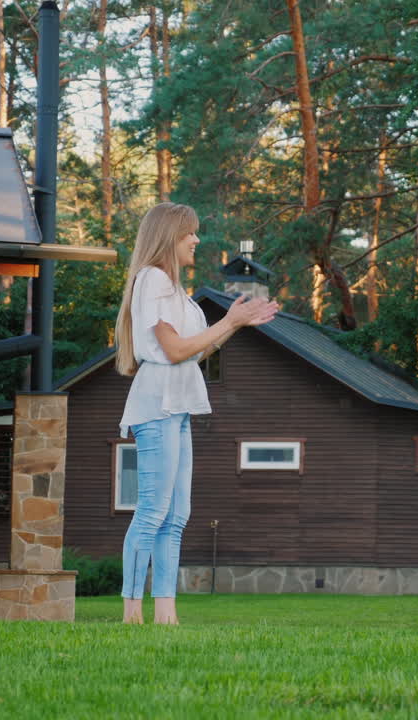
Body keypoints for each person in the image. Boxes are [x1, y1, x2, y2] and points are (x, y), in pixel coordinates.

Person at [113, 202, 278, 624]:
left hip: (179, 405)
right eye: (190, 232)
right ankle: (132, 613)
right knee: (153, 510)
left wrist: (236, 323)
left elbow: (198, 351)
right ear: (170, 235)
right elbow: (173, 351)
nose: (197, 240)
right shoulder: (151, 280)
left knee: (177, 514)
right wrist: (230, 320)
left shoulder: (176, 292)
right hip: (157, 405)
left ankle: (166, 615)